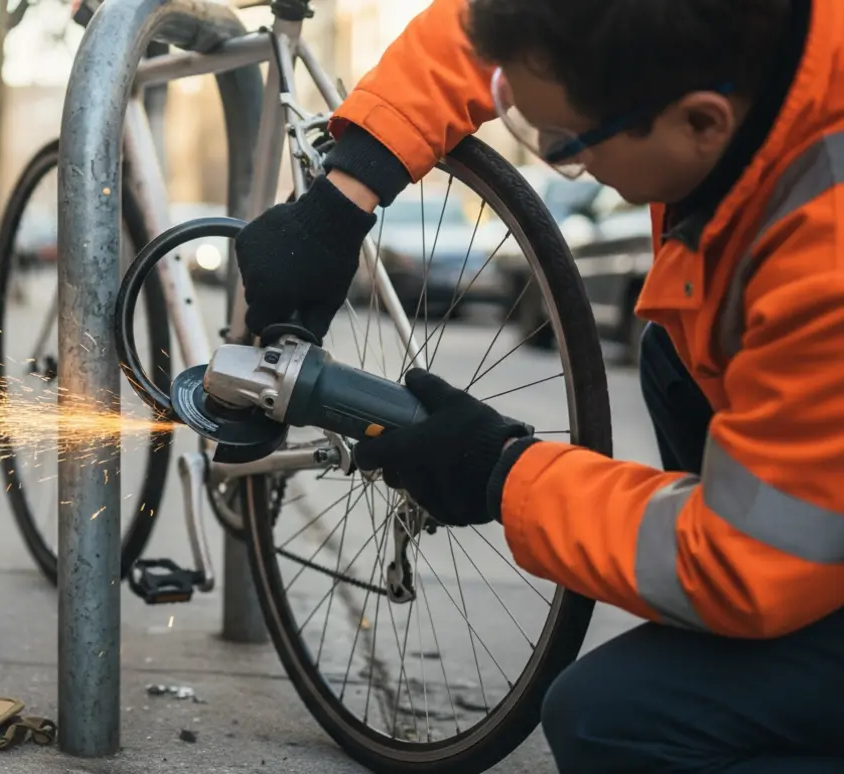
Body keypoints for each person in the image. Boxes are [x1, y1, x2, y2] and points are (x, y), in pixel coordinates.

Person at [233, 0, 844, 771]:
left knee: (608, 722)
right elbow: (504, 28)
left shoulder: (826, 259)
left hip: (779, 540)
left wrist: (503, 472)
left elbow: (743, 557)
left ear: (702, 123)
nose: (562, 160)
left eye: (566, 146)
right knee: (674, 352)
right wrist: (343, 194)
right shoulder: (745, 52)